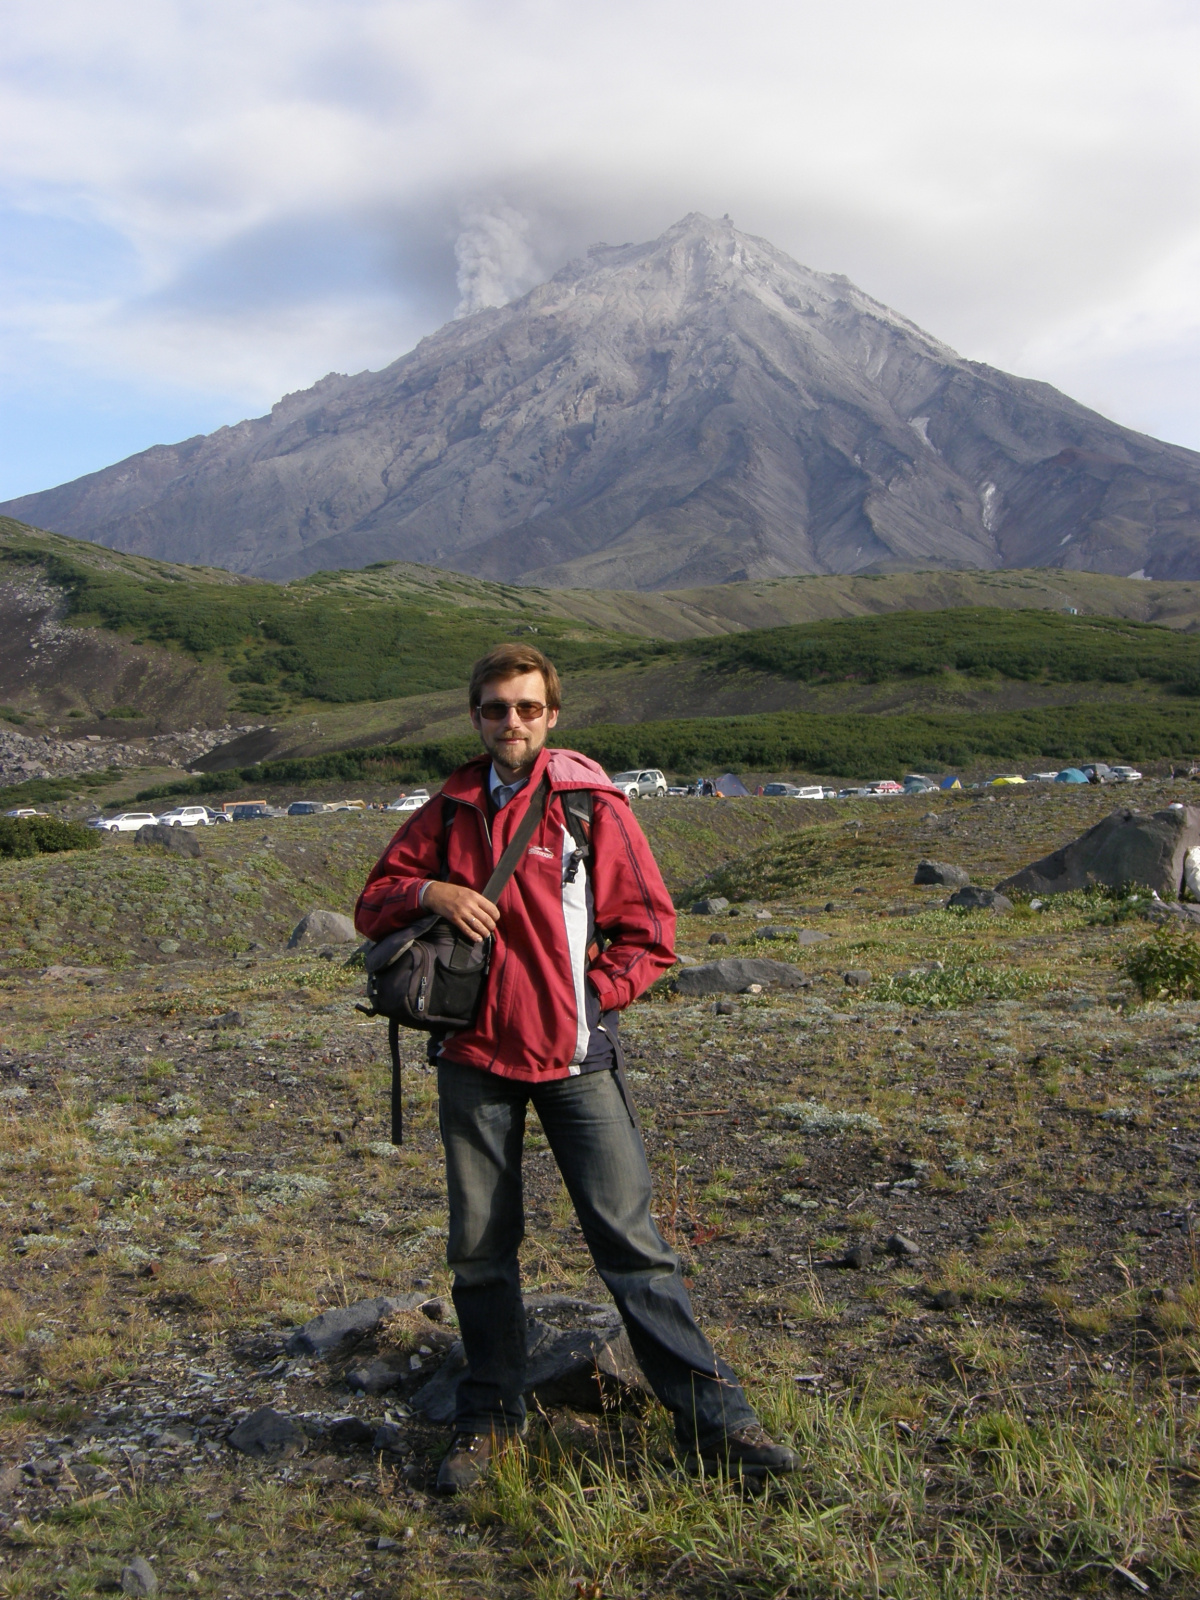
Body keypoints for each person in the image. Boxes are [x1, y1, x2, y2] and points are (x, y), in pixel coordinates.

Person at [355, 643, 797, 1493]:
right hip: (472, 1057)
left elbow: (650, 935)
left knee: (633, 1246)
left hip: (573, 1060)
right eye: (494, 708)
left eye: (526, 708)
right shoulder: (445, 811)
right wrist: (429, 895)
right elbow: (374, 899)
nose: (509, 722)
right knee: (480, 1253)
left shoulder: (593, 808)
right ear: (475, 715)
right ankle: (490, 1421)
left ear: (552, 715)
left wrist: (587, 1002)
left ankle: (717, 1422)